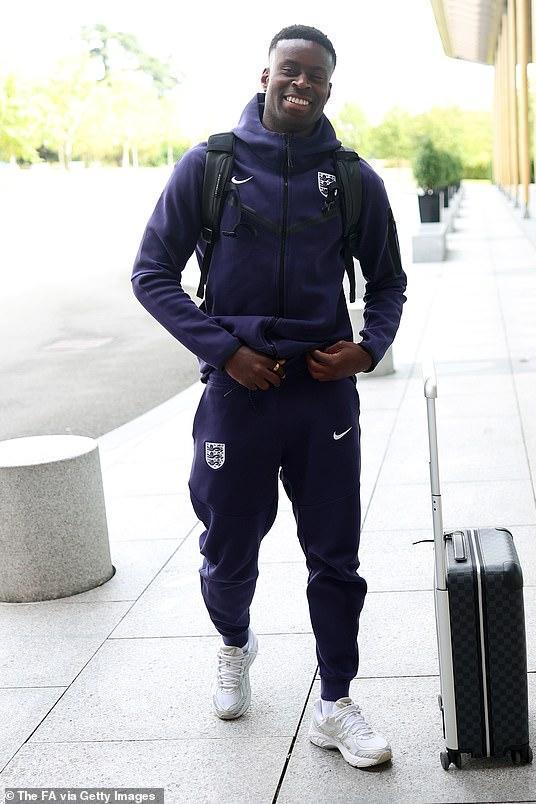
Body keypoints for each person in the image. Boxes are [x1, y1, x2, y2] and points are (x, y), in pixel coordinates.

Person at [131, 24, 407, 769]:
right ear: (265, 75)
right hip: (238, 394)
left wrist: (368, 348)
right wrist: (227, 351)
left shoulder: (352, 178)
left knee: (336, 557)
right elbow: (151, 274)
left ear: (329, 87)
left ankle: (336, 702)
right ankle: (234, 642)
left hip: (322, 399)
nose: (301, 84)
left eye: (316, 75)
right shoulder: (211, 165)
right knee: (227, 551)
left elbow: (388, 283)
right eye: (290, 70)